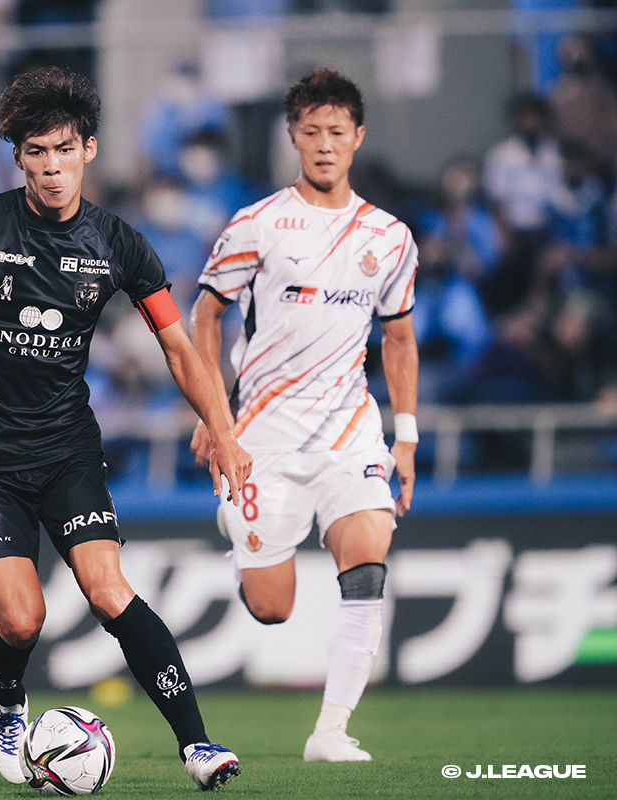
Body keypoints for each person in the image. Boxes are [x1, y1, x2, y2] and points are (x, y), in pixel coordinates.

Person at [0, 66, 253, 790]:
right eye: (37, 152)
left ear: (89, 151)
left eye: (64, 150)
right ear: (19, 158)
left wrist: (222, 429)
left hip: (67, 448)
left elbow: (177, 346)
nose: (51, 166)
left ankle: (198, 745)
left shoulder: (119, 243)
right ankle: (8, 701)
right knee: (21, 619)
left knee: (109, 591)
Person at [189, 68, 419, 763]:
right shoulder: (256, 224)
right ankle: (242, 535)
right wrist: (213, 414)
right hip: (263, 432)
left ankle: (331, 731)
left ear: (358, 138)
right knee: (272, 606)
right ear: (292, 136)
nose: (324, 144)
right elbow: (206, 316)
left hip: (350, 427)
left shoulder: (390, 236)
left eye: (336, 132)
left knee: (369, 555)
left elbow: (399, 339)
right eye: (312, 131)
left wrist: (406, 438)